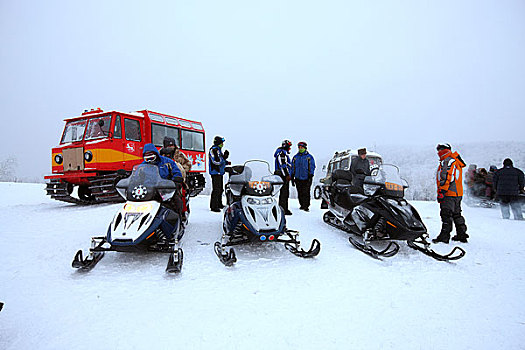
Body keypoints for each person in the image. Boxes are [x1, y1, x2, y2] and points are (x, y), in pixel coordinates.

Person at [432, 143, 469, 244]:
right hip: (457, 193)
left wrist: (442, 191)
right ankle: (462, 234)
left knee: (446, 214)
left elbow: (446, 176)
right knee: (457, 214)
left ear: (442, 150)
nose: (438, 152)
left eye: (439, 150)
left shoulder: (447, 161)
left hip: (449, 193)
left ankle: (444, 236)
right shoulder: (455, 161)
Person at [142, 143, 184, 219]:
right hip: (149, 190)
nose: (149, 161)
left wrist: (176, 180)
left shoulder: (167, 162)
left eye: (151, 158)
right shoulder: (143, 166)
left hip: (166, 188)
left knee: (176, 201)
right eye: (147, 159)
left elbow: (176, 172)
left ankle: (179, 218)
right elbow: (138, 175)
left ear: (156, 154)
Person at [291, 141, 315, 212]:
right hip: (298, 178)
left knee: (306, 192)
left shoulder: (309, 157)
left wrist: (311, 174)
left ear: (305, 148)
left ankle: (306, 205)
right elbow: (293, 167)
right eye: (299, 147)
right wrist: (292, 175)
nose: (300, 148)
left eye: (302, 147)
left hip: (306, 177)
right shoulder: (295, 157)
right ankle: (301, 204)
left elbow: (312, 166)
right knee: (299, 192)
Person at [209, 136, 230, 212]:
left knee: (220, 189)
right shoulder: (213, 150)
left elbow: (221, 160)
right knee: (216, 189)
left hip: (220, 172)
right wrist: (224, 158)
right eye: (221, 142)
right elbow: (216, 161)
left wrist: (226, 161)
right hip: (215, 172)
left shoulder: (218, 150)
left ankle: (219, 203)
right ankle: (213, 206)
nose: (222, 144)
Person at [274, 140, 293, 215]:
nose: (290, 148)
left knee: (284, 192)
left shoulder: (282, 153)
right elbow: (283, 165)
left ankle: (283, 208)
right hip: (283, 175)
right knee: (284, 193)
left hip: (283, 175)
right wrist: (287, 175)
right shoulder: (282, 153)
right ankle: (283, 209)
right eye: (289, 146)